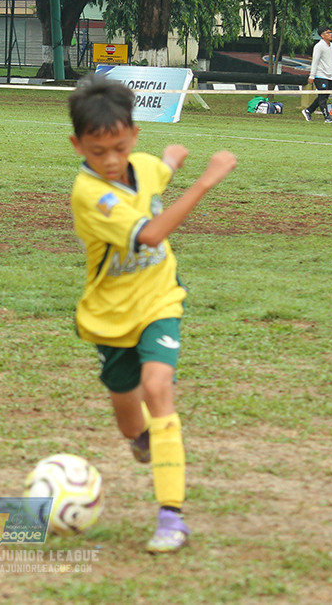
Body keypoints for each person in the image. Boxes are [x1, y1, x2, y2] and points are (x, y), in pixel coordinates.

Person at [68, 74, 236, 552]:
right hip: (109, 317)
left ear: (134, 136)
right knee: (128, 419)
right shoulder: (90, 194)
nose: (112, 161)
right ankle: (145, 441)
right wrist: (205, 179)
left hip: (160, 299)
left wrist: (171, 159)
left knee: (159, 388)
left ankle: (171, 516)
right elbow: (151, 234)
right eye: (98, 152)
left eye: (120, 147)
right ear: (77, 144)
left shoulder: (139, 163)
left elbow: (156, 172)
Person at [302, 26, 332, 123]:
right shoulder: (319, 46)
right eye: (328, 33)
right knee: (322, 96)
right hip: (320, 75)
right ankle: (327, 117)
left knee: (324, 96)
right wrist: (312, 75)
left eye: (331, 32)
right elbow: (315, 61)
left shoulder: (331, 46)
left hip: (329, 75)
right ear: (322, 35)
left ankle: (308, 110)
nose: (330, 34)